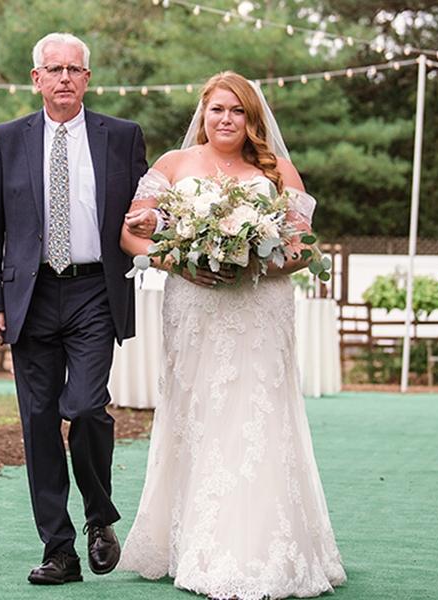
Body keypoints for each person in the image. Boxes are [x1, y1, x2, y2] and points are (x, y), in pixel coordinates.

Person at [118, 71, 346, 600]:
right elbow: (131, 230)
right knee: (197, 415)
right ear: (203, 112)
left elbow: (302, 247)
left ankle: (264, 550)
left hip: (259, 308)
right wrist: (175, 259)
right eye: (218, 109)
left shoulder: (278, 171)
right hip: (193, 306)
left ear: (252, 118)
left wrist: (250, 262)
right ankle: (189, 541)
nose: (226, 119)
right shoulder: (173, 167)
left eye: (238, 111)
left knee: (258, 417)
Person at [0, 32, 148, 585]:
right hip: (31, 295)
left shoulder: (122, 138)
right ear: (37, 79)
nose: (65, 78)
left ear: (87, 79)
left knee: (87, 405)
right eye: (54, 69)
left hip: (96, 290)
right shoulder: (7, 139)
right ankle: (59, 549)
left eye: (74, 69)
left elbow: (146, 214)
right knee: (39, 422)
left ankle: (100, 518)